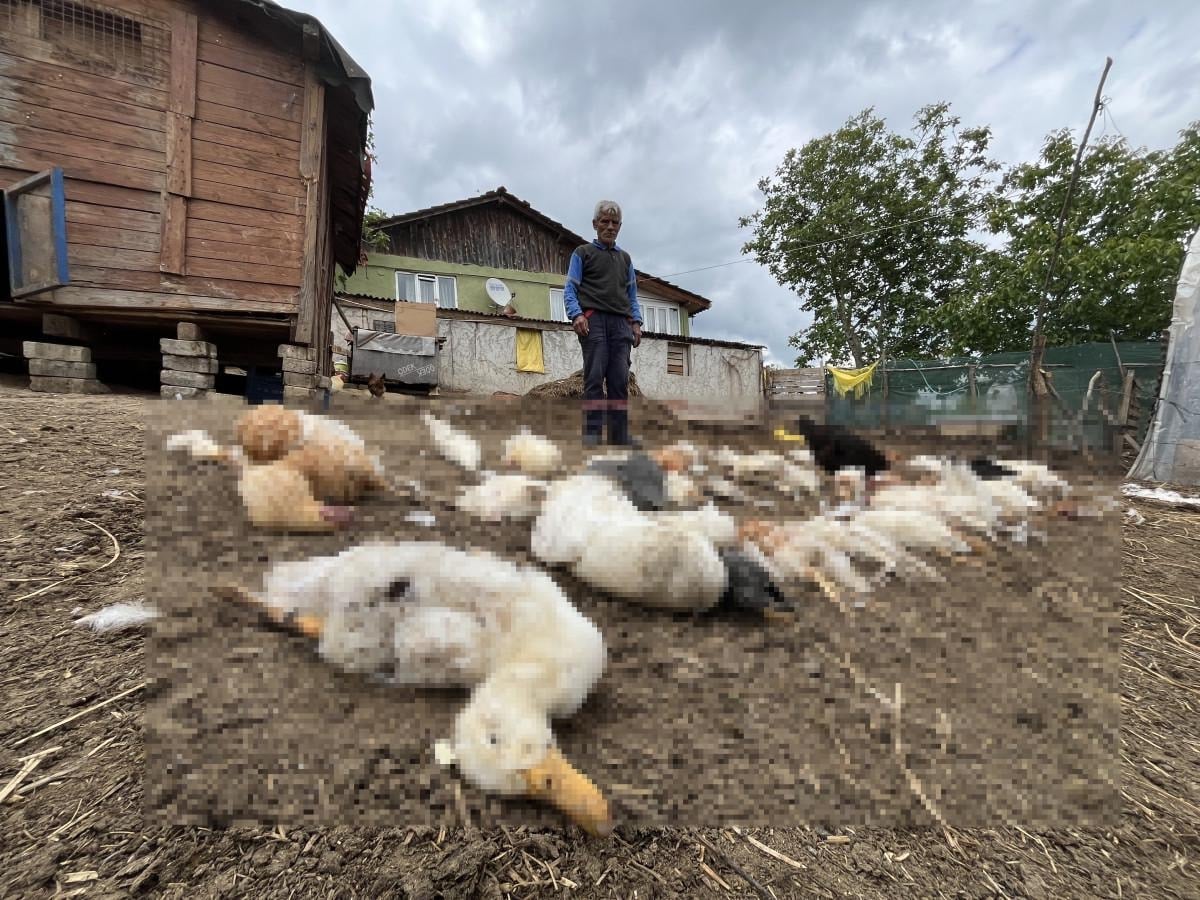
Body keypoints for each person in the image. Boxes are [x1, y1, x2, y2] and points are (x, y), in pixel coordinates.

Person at [563, 200, 644, 446]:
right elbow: (570, 289)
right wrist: (576, 315)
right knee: (594, 378)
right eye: (605, 222)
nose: (610, 227)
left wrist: (636, 322)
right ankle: (592, 434)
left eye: (614, 223)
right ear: (595, 224)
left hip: (621, 324)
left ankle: (619, 436)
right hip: (593, 321)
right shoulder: (583, 253)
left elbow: (632, 295)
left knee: (619, 380)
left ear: (620, 226)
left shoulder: (625, 259)